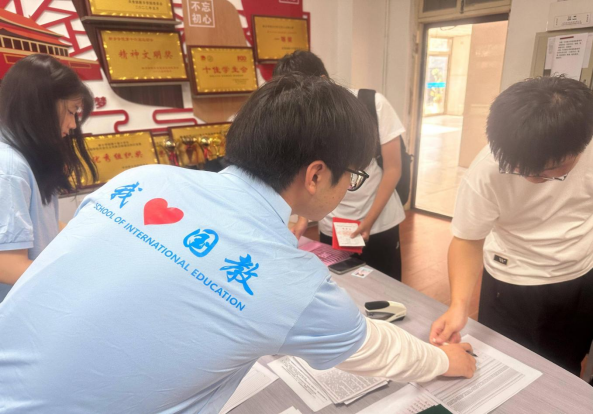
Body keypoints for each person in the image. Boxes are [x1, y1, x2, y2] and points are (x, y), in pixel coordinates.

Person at [0, 75, 476, 414]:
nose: (348, 186)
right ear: (315, 175)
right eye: (351, 176)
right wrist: (444, 360)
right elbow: (372, 348)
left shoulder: (141, 179)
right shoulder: (290, 282)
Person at [430, 76, 593, 377]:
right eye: (519, 168)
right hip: (510, 280)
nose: (531, 177)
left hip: (578, 278)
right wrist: (458, 306)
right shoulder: (487, 169)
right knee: (502, 367)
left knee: (564, 369)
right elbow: (468, 239)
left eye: (549, 170)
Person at [276, 51, 406, 280]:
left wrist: (369, 221)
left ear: (323, 81)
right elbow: (312, 172)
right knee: (341, 284)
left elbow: (393, 168)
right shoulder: (304, 116)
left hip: (378, 220)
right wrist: (304, 218)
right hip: (332, 223)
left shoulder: (372, 104)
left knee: (385, 285)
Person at [0, 54, 96, 303]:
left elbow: (42, 225)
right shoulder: (8, 167)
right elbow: (7, 265)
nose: (73, 124)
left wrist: (89, 234)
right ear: (41, 107)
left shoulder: (25, 156)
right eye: (71, 111)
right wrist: (75, 280)